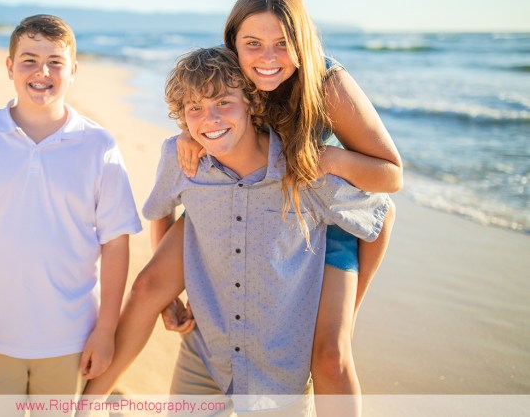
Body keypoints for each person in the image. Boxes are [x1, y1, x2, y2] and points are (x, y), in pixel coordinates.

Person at [81, 46, 391, 416]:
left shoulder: (302, 173)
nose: (210, 119)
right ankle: (81, 407)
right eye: (194, 109)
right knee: (145, 289)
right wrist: (170, 290)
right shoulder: (184, 159)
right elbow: (161, 210)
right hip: (208, 354)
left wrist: (347, 314)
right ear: (182, 120)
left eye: (223, 103)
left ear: (252, 103)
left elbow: (381, 215)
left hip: (277, 373)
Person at [171, 0, 401, 416]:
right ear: (232, 42)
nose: (268, 58)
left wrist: (330, 157)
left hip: (323, 224)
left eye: (283, 43)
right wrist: (190, 132)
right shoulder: (230, 70)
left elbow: (391, 176)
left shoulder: (327, 84)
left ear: (303, 42)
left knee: (330, 356)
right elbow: (205, 105)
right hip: (266, 219)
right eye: (253, 43)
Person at [0, 14, 142, 412]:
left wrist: (106, 330)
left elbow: (115, 244)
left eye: (55, 62)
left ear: (73, 71)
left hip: (71, 338)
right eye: (29, 59)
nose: (42, 72)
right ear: (9, 67)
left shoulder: (99, 145)